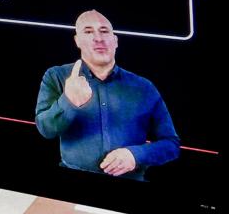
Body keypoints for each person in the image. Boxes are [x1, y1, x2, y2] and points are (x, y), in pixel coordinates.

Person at [34, 10, 180, 179]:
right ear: (77, 41)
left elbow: (171, 144)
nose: (98, 38)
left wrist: (135, 155)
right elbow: (46, 130)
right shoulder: (56, 76)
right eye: (88, 32)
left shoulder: (144, 87)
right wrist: (69, 102)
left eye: (104, 31)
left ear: (115, 40)